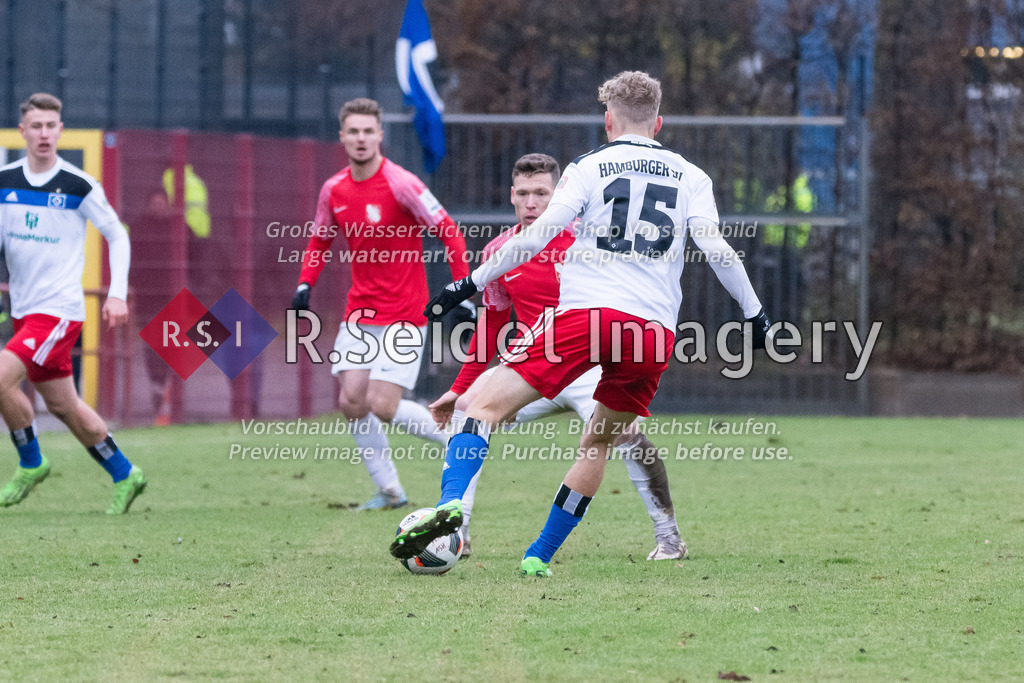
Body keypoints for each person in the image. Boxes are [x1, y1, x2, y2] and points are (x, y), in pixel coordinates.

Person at [391, 71, 772, 576]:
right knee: (599, 443)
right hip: (651, 336)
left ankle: (454, 504)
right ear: (658, 123)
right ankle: (538, 556)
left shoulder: (588, 166)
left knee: (476, 408)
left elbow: (532, 239)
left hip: (585, 321)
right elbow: (718, 250)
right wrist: (756, 316)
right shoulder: (691, 176)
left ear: (608, 120)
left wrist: (467, 285)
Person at [429, 153, 685, 561]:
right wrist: (458, 388)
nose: (532, 203)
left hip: (593, 369)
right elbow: (492, 326)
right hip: (536, 368)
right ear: (512, 196)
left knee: (627, 437)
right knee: (467, 411)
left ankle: (669, 535)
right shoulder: (499, 251)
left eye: (542, 194)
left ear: (559, 194)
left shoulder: (590, 238)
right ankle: (456, 530)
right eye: (525, 194)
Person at [290, 97, 470, 510]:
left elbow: (449, 232)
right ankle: (390, 490)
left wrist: (461, 288)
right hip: (361, 313)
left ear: (380, 136)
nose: (361, 138)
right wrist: (304, 286)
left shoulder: (402, 183)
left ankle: (461, 441)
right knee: (351, 401)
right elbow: (320, 240)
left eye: (368, 131)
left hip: (405, 315)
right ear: (342, 137)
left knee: (382, 406)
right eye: (353, 131)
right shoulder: (334, 189)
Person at [0, 93, 145, 513]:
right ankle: (125, 472)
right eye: (36, 126)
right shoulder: (6, 181)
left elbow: (117, 234)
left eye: (51, 126)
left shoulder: (78, 185)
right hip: (27, 313)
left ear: (60, 131)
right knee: (65, 406)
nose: (44, 134)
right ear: (23, 131)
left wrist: (116, 292)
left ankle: (31, 462)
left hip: (59, 312)